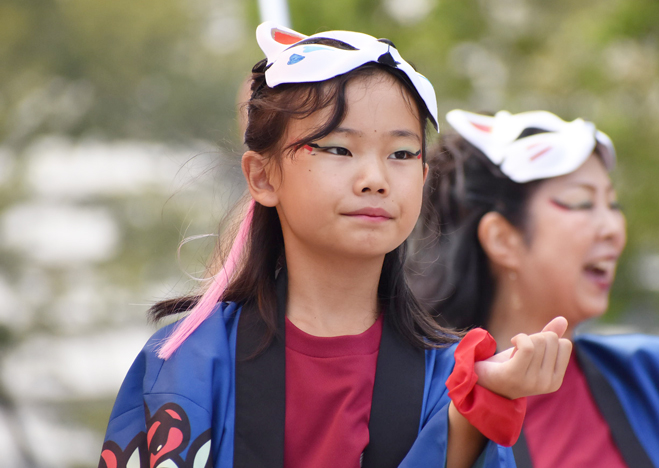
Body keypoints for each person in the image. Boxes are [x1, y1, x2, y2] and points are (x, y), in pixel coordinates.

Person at [99, 24, 571, 468]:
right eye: (339, 149)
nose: (375, 180)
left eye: (402, 154)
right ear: (262, 176)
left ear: (425, 178)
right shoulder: (187, 360)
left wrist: (482, 404)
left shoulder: (451, 374)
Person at [413, 108, 659, 468]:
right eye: (581, 203)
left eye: (613, 204)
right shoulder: (416, 395)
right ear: (502, 239)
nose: (613, 227)